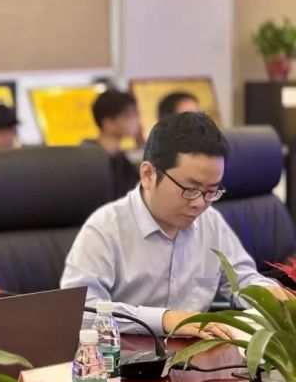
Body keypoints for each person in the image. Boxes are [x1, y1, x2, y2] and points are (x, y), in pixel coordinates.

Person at [61, 112, 290, 339]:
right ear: (148, 175)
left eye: (211, 191)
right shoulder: (104, 229)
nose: (200, 203)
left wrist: (267, 293)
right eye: (190, 189)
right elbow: (80, 311)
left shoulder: (210, 221)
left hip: (195, 353)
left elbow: (241, 278)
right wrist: (165, 319)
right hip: (126, 356)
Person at [85, 89, 141, 199]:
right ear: (108, 122)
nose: (136, 120)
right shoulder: (89, 160)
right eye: (128, 116)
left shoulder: (121, 159)